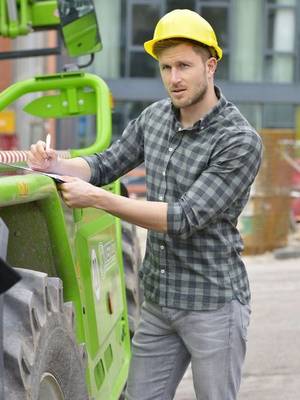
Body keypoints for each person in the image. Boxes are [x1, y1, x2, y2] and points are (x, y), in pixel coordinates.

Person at [28, 9, 262, 400]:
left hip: (212, 304)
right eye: (166, 67)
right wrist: (56, 165)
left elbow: (184, 217)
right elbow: (104, 165)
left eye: (184, 66)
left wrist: (99, 200)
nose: (174, 78)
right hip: (159, 300)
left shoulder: (239, 140)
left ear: (211, 65)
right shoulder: (154, 117)